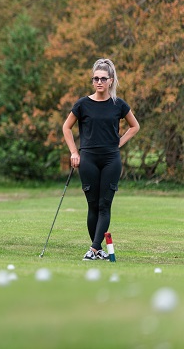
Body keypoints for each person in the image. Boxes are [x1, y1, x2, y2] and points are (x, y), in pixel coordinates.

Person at [62, 58, 139, 261]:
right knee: (93, 205)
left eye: (103, 78)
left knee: (105, 205)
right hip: (88, 159)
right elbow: (66, 127)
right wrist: (74, 152)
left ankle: (94, 249)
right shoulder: (83, 104)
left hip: (111, 160)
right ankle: (97, 250)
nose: (99, 82)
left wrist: (118, 143)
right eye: (95, 78)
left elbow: (135, 126)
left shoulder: (118, 105)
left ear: (111, 81)